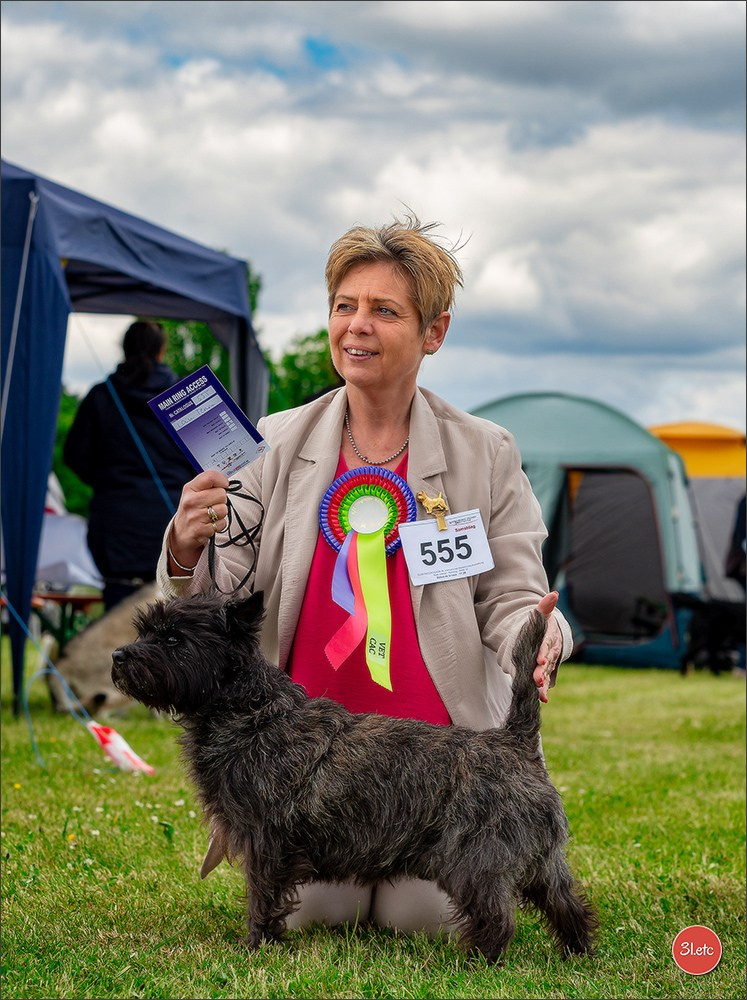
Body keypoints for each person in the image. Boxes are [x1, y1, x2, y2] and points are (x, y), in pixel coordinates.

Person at [156, 215, 574, 937]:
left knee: (429, 918)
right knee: (323, 910)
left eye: (384, 310)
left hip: (437, 775)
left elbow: (511, 592)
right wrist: (186, 549)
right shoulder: (272, 441)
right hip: (304, 778)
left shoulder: (485, 452)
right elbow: (219, 600)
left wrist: (537, 636)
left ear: (433, 332)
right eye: (343, 306)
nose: (357, 326)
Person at [64, 320, 194, 611]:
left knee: (118, 617)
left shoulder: (100, 395)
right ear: (162, 351)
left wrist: (106, 480)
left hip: (116, 521)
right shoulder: (184, 398)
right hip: (173, 517)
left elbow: (74, 455)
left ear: (124, 350)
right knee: (175, 615)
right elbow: (208, 459)